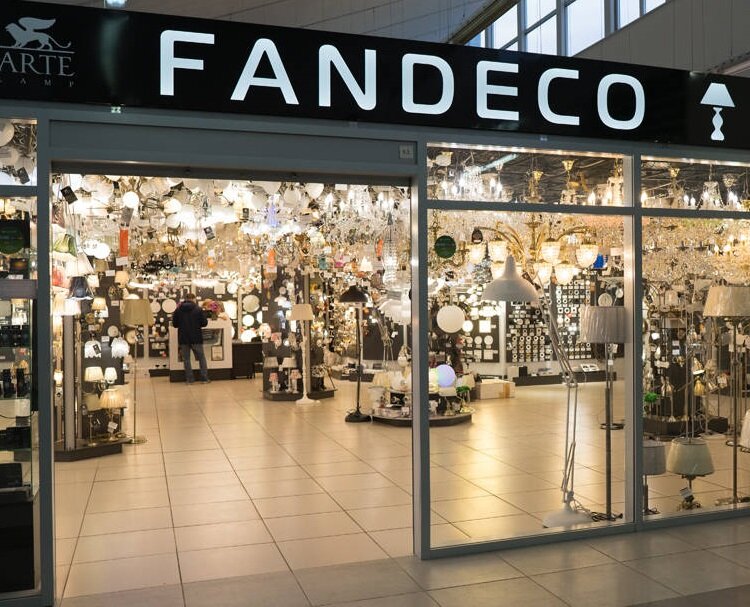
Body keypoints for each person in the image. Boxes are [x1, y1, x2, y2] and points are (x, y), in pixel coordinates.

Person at [172, 292, 210, 383]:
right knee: (201, 358)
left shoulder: (178, 310)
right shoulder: (198, 309)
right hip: (196, 337)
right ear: (194, 299)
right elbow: (204, 323)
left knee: (186, 360)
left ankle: (190, 379)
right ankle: (204, 378)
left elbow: (175, 324)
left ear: (185, 299)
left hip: (183, 338)